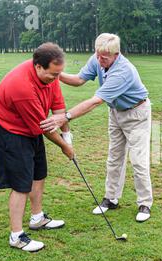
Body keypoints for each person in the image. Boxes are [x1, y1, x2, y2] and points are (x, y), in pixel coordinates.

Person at [40, 33, 153, 223]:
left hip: (137, 114)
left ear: (116, 54)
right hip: (116, 112)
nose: (99, 60)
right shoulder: (98, 58)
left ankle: (145, 203)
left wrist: (65, 117)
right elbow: (78, 80)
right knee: (114, 157)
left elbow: (95, 101)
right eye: (97, 55)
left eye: (104, 57)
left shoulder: (123, 71)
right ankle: (111, 198)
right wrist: (53, 73)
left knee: (138, 160)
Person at [0, 42, 74, 252]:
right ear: (38, 67)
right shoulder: (22, 86)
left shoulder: (51, 74)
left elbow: (59, 109)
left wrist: (67, 134)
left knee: (38, 173)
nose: (57, 78)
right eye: (53, 74)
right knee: (21, 184)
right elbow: (43, 126)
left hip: (29, 130)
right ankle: (16, 236)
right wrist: (65, 147)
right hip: (10, 132)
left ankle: (37, 218)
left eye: (59, 73)